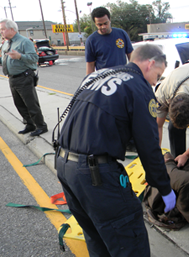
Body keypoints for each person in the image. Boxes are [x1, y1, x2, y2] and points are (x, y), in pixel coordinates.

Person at [56, 44, 176, 257]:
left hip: (65, 166)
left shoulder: (98, 75)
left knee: (95, 235)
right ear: (150, 64)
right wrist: (164, 188)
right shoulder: (139, 86)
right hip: (95, 175)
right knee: (128, 238)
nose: (156, 82)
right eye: (158, 75)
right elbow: (149, 148)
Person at [0, 19, 47, 137]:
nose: (1, 32)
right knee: (19, 104)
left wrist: (20, 56)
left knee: (31, 104)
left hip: (24, 77)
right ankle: (30, 124)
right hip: (12, 78)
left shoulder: (24, 42)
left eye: (3, 29)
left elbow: (34, 59)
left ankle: (41, 126)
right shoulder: (6, 43)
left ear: (12, 29)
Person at [85, 6, 133, 75]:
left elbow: (131, 55)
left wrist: (135, 74)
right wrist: (89, 83)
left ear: (110, 20)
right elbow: (90, 64)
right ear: (95, 24)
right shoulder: (91, 40)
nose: (103, 27)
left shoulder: (121, 34)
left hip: (122, 76)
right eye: (100, 25)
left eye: (105, 23)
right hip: (104, 79)